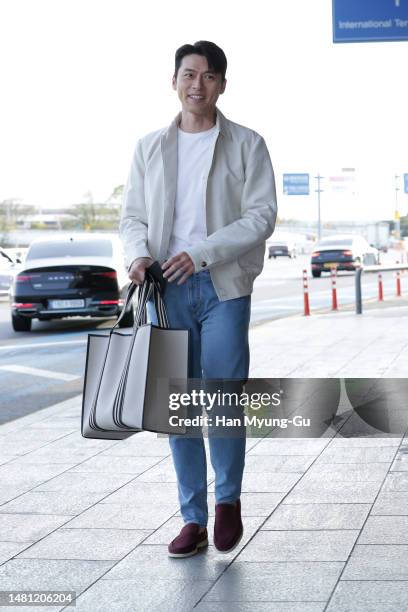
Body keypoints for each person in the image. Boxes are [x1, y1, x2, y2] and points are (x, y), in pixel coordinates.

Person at [119, 40, 277, 558]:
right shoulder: (148, 147)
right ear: (174, 81)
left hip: (223, 286)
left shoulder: (248, 144)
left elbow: (260, 217)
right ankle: (193, 518)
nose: (197, 84)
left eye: (209, 76)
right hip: (166, 290)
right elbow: (133, 216)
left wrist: (202, 254)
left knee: (224, 394)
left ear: (222, 85)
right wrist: (139, 254)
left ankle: (227, 500)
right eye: (189, 74)